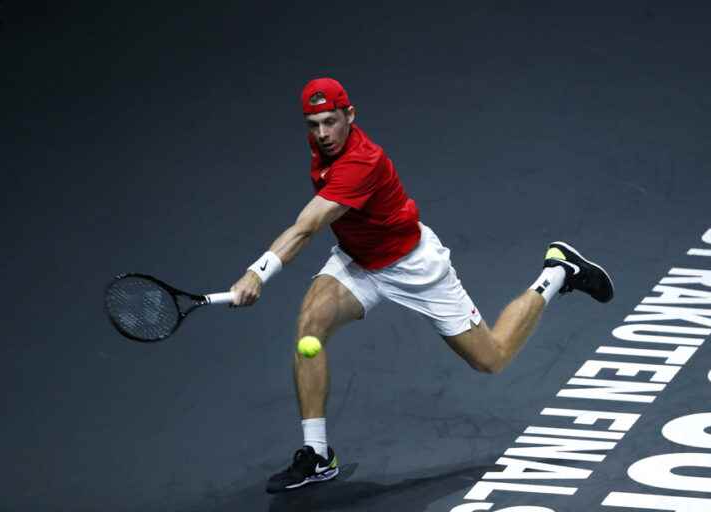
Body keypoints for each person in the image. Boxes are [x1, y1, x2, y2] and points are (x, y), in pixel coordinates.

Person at [229, 77, 614, 494]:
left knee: (492, 358)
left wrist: (257, 272)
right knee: (310, 328)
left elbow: (307, 228)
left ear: (350, 116)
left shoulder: (362, 161)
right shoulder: (325, 145)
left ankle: (557, 272)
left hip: (414, 266)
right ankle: (318, 455)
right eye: (313, 124)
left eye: (330, 122)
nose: (322, 134)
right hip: (358, 260)